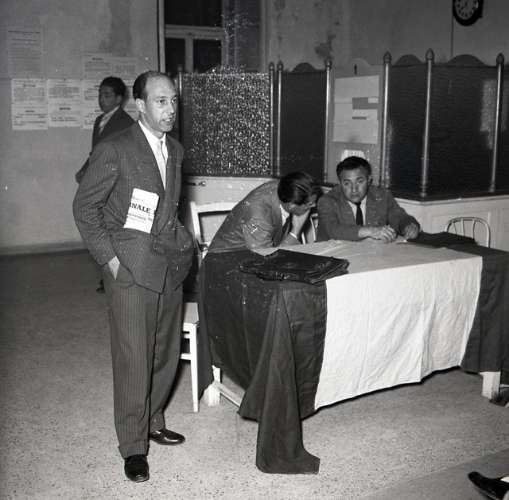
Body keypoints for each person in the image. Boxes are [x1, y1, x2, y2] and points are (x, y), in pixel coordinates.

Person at [73, 70, 193, 483]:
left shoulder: (175, 149)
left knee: (163, 351)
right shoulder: (115, 149)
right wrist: (109, 260)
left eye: (173, 101)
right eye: (161, 101)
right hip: (128, 264)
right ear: (139, 105)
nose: (170, 109)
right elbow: (85, 208)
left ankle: (153, 420)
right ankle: (132, 445)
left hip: (167, 264)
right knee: (133, 358)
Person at [75, 76, 134, 293]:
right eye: (100, 94)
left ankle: (116, 274)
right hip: (99, 179)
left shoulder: (127, 123)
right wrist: (84, 170)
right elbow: (96, 152)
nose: (101, 99)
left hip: (114, 183)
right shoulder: (100, 120)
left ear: (119, 99)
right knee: (100, 225)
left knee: (112, 226)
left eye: (107, 95)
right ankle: (108, 274)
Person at [208, 171, 322, 252]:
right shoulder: (259, 216)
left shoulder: (285, 189)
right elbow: (268, 260)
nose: (314, 206)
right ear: (292, 205)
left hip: (253, 253)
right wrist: (296, 230)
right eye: (309, 204)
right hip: (228, 259)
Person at [316, 156, 420, 243]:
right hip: (329, 255)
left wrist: (408, 226)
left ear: (369, 180)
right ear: (340, 183)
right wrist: (370, 231)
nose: (354, 189)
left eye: (360, 181)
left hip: (369, 254)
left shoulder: (382, 196)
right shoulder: (327, 201)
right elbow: (334, 230)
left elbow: (399, 217)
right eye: (347, 183)